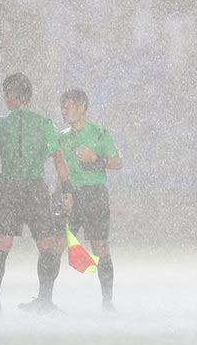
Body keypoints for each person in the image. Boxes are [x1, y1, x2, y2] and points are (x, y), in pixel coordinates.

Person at [0, 73, 73, 315]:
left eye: (6, 94)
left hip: (10, 189)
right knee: (47, 246)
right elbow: (58, 158)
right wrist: (67, 190)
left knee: (2, 246)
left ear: (11, 96)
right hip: (35, 189)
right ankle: (45, 301)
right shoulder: (44, 123)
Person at [54, 88, 123, 311]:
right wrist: (58, 195)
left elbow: (117, 162)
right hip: (71, 195)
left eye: (67, 106)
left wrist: (96, 159)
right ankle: (45, 299)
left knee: (100, 246)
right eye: (62, 106)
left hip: (95, 195)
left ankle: (107, 302)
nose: (63, 111)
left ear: (81, 108)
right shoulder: (62, 137)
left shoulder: (99, 133)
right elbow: (61, 169)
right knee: (56, 245)